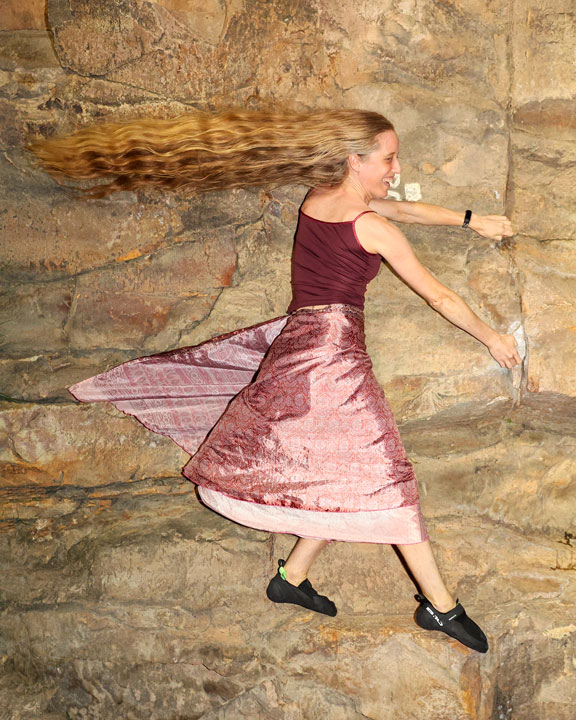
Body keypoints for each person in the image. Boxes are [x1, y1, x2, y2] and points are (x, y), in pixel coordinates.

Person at [27, 109, 520, 654]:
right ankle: (441, 607)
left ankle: (291, 578)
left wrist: (469, 219)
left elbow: (403, 206)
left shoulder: (318, 198)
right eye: (388, 158)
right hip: (332, 360)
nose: (396, 167)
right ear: (355, 161)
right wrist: (491, 336)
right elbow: (439, 295)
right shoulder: (369, 226)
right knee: (385, 478)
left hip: (298, 344)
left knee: (338, 472)